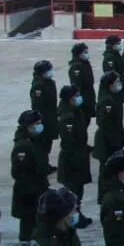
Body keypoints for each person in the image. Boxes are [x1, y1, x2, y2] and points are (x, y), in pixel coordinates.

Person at [55, 86, 93, 229]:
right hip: (72, 158)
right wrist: (75, 158)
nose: (79, 98)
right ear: (69, 99)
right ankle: (70, 215)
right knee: (73, 189)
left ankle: (76, 212)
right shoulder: (68, 117)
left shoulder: (75, 112)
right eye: (76, 95)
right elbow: (69, 141)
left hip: (79, 154)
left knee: (78, 188)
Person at [11, 110, 50, 241]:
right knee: (28, 228)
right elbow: (19, 173)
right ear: (28, 126)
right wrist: (33, 190)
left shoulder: (34, 140)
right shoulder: (23, 146)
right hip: (29, 195)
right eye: (37, 123)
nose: (40, 126)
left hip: (37, 189)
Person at [92, 71, 124, 182]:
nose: (119, 83)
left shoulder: (112, 97)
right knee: (107, 171)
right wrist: (116, 139)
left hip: (112, 139)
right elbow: (104, 123)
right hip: (107, 142)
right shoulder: (107, 101)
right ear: (110, 84)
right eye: (117, 81)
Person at [29, 61, 58, 163]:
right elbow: (37, 105)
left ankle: (45, 162)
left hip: (51, 116)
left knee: (48, 141)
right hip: (44, 118)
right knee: (43, 143)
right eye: (49, 70)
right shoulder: (39, 86)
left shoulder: (48, 82)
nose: (51, 72)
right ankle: (42, 163)